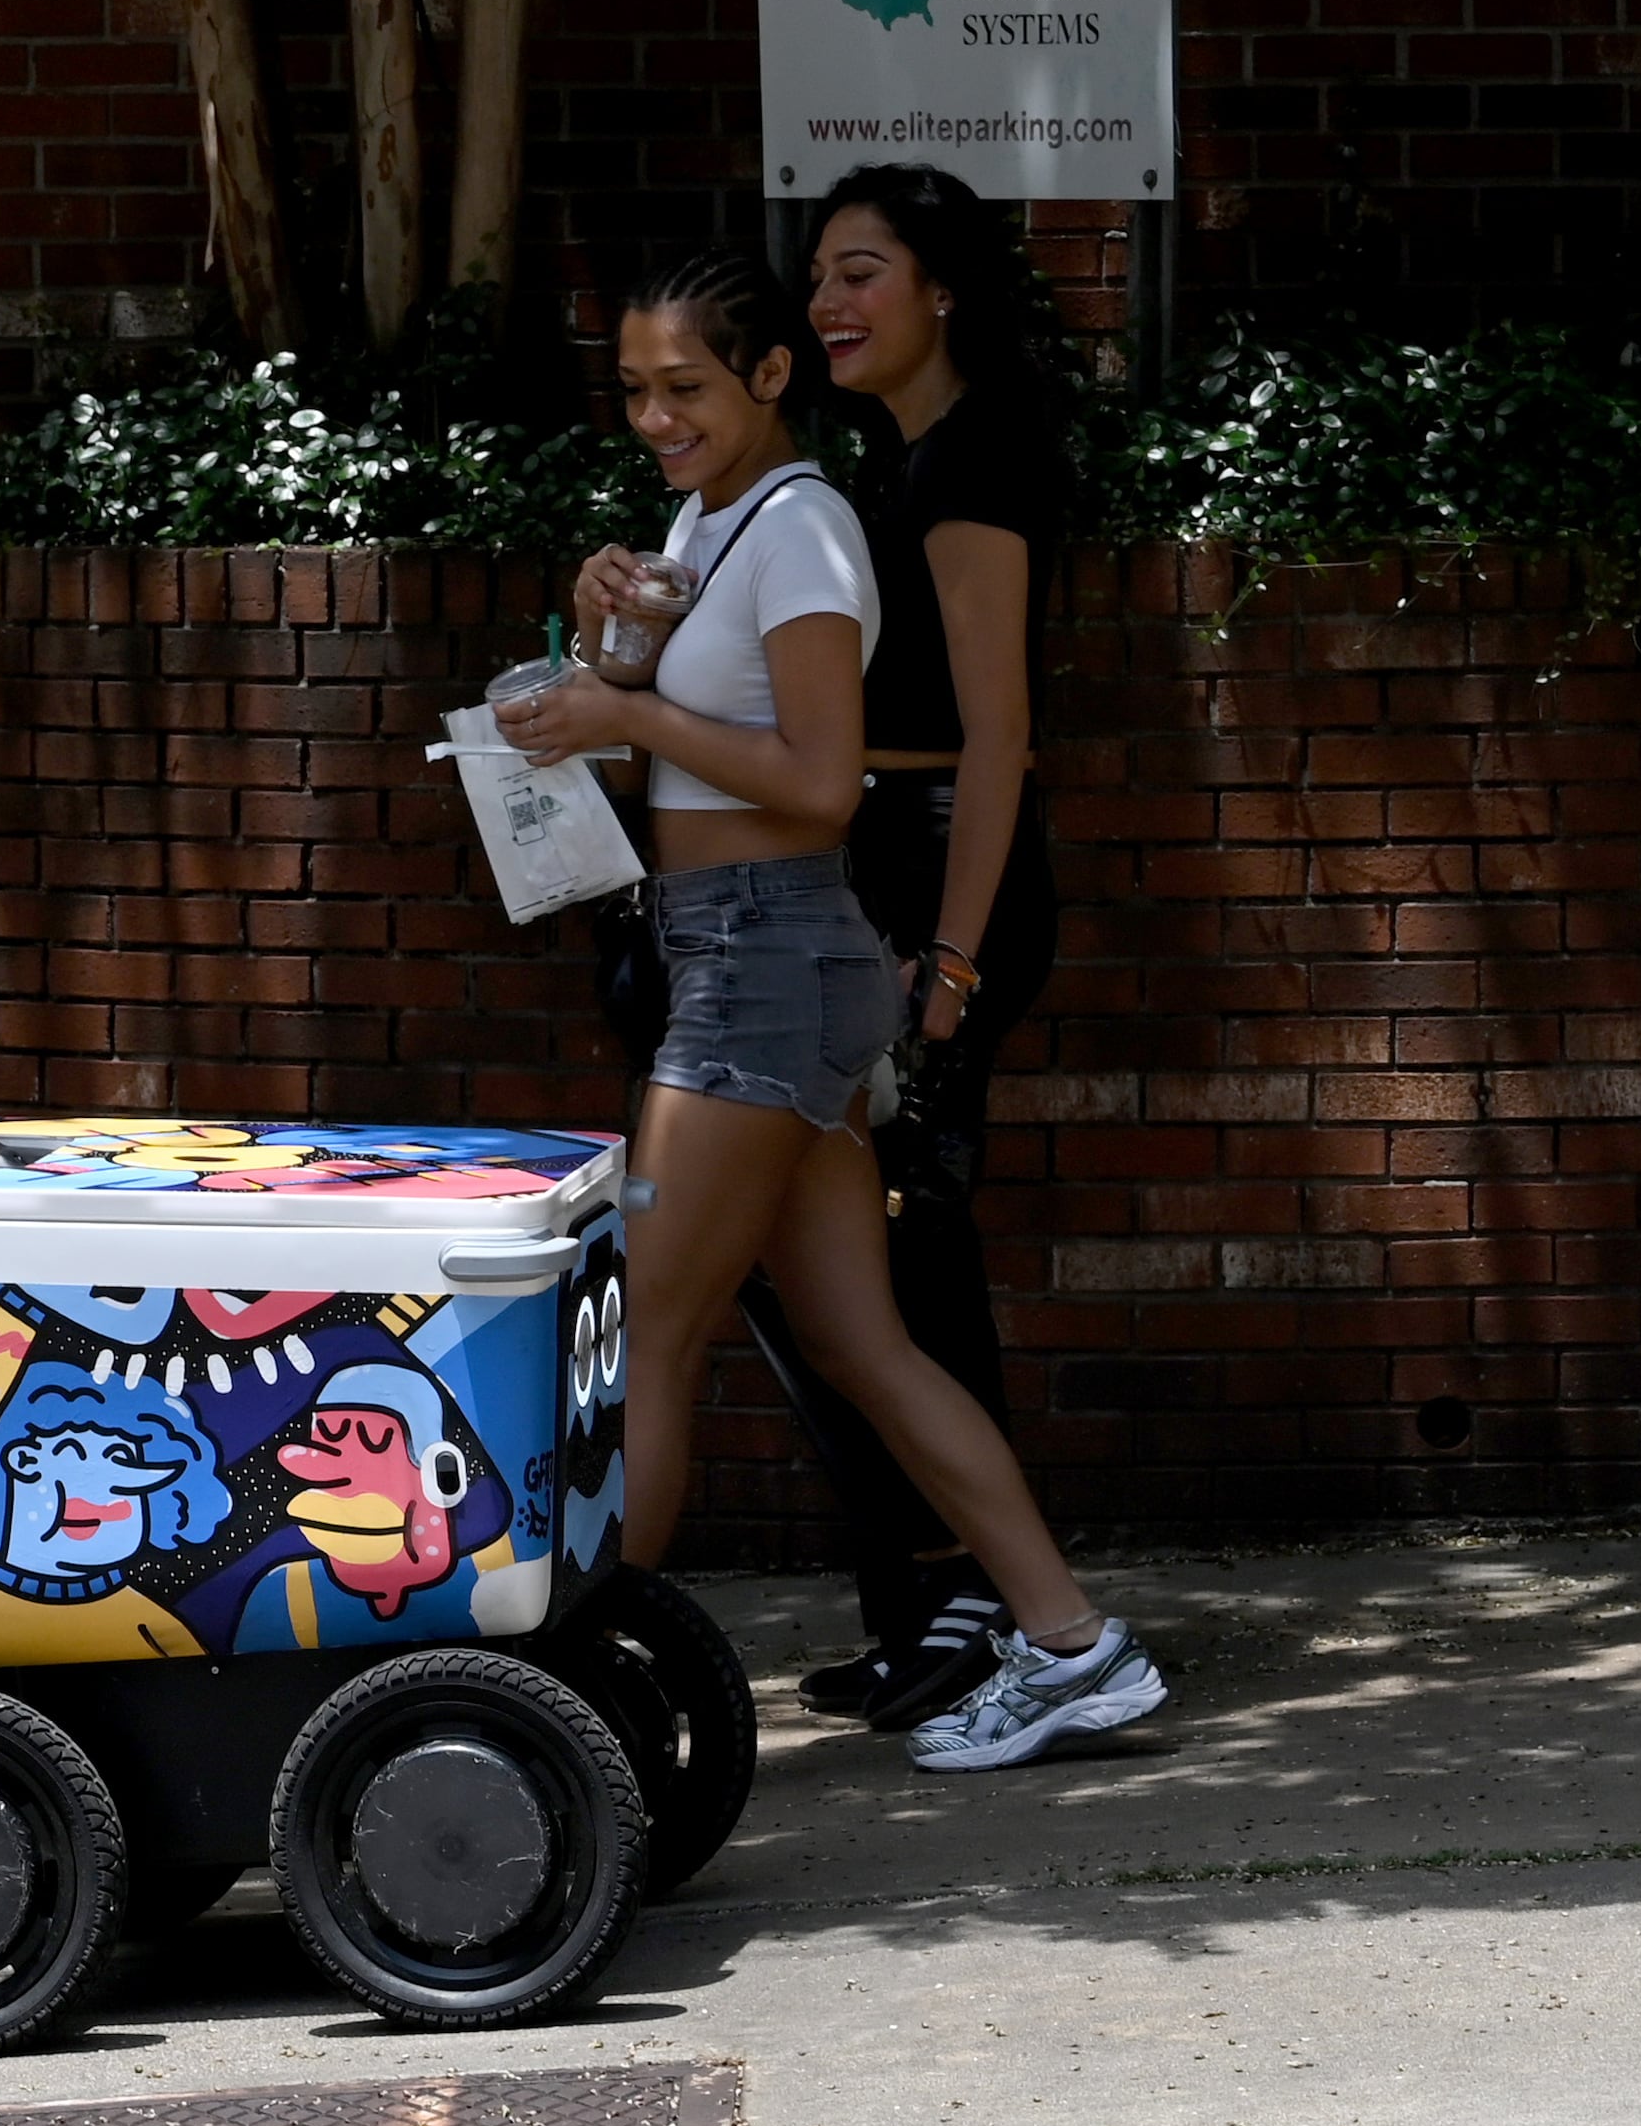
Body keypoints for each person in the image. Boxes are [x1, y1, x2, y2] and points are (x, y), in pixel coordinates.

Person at [495, 246, 1164, 1773]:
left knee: (645, 1334)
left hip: (766, 961)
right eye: (638, 393)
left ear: (772, 377)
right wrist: (604, 640)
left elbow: (814, 783)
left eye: (689, 389)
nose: (658, 418)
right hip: (750, 959)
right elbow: (657, 735)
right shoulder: (708, 518)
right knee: (866, 1344)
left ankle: (564, 1711)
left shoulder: (805, 531)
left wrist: (625, 706)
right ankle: (1077, 1647)